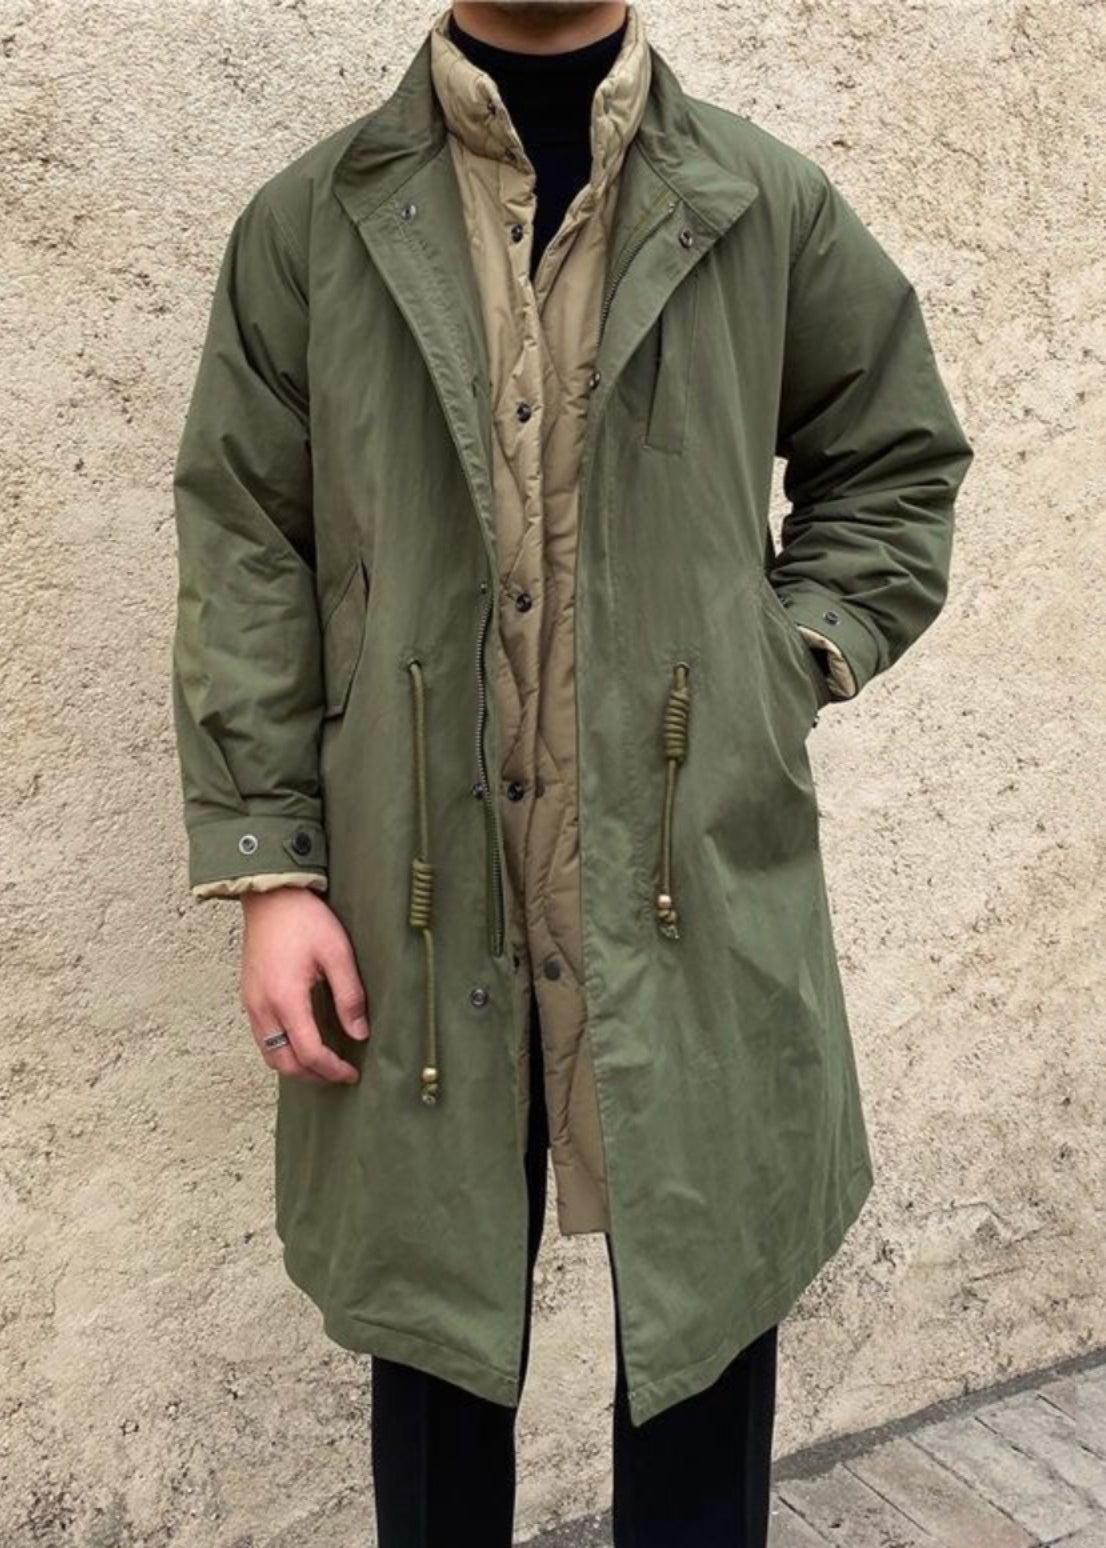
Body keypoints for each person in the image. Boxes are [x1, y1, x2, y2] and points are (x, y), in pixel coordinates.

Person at [169, 3, 974, 1543]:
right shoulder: (313, 220)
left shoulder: (761, 203)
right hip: (413, 883)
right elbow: (245, 539)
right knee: (433, 1319)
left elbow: (894, 460)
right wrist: (271, 866)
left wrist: (784, 657)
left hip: (684, 868)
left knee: (705, 1304)